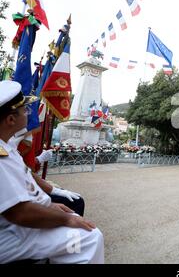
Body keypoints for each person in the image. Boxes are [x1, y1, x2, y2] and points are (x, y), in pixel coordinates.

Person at [0, 81, 104, 264]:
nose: (28, 113)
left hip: (17, 226)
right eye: (25, 110)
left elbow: (25, 184)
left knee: (77, 219)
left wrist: (49, 204)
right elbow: (18, 213)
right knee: (89, 238)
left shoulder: (6, 146)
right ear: (10, 119)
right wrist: (65, 220)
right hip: (12, 232)